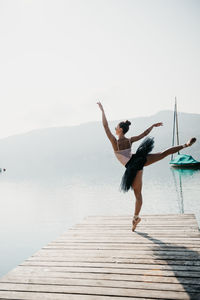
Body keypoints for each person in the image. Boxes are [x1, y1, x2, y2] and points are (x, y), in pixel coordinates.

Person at [97, 102, 196, 231]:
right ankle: (185, 145)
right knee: (163, 154)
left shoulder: (114, 142)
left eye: (116, 127)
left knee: (138, 196)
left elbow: (105, 127)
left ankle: (136, 218)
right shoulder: (129, 140)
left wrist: (103, 110)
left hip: (132, 166)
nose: (114, 128)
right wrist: (152, 126)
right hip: (138, 160)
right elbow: (143, 134)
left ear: (120, 129)